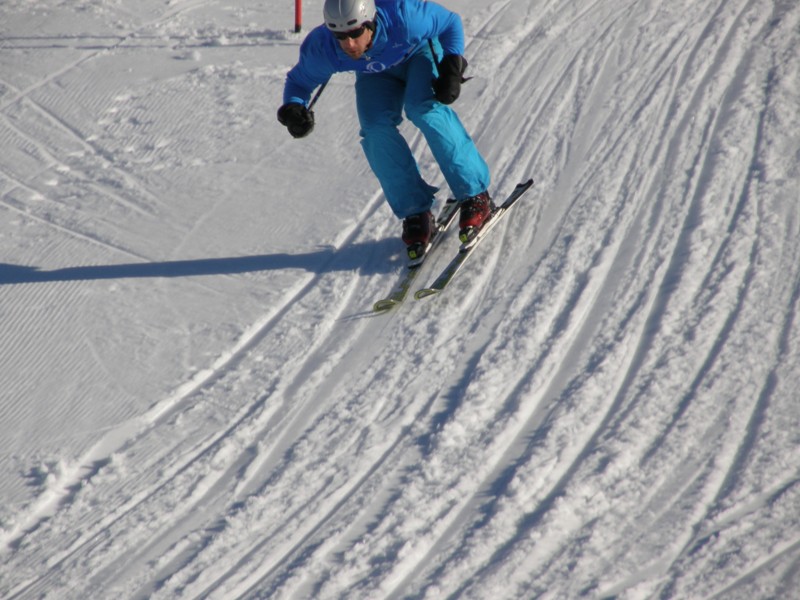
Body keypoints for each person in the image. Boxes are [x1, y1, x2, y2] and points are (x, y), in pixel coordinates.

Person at [278, 0, 492, 258]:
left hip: (418, 52)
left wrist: (452, 67)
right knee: (374, 128)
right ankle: (415, 211)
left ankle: (475, 194)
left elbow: (450, 23)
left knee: (423, 108)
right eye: (340, 36)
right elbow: (299, 82)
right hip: (374, 73)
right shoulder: (324, 46)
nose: (349, 44)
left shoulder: (405, 18)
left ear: (370, 22)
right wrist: (293, 109)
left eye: (356, 32)